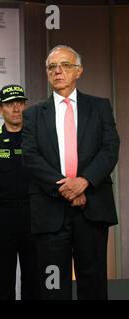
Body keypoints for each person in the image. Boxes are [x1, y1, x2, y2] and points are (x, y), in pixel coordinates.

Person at [22, 45, 120, 299]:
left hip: (92, 205)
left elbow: (110, 149)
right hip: (50, 208)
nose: (58, 71)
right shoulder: (32, 114)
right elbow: (31, 157)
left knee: (94, 282)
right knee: (53, 284)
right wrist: (65, 187)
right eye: (52, 67)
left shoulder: (99, 107)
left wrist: (84, 182)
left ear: (79, 71)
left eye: (65, 65)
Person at [0, 84, 38, 300]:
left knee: (34, 275)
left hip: (34, 215)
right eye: (9, 104)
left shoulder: (37, 137)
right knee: (2, 275)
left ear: (26, 106)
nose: (16, 109)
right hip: (2, 216)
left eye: (20, 103)